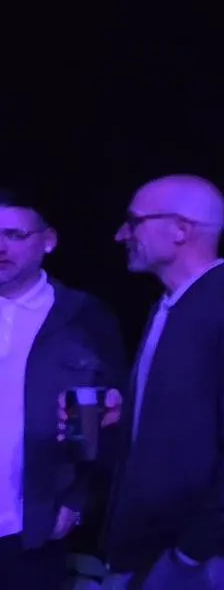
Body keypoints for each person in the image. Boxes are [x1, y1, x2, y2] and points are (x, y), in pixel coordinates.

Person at [99, 175, 224, 590]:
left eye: (134, 222)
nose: (121, 235)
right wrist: (128, 416)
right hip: (151, 552)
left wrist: (187, 554)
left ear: (180, 230)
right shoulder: (169, 307)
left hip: (202, 560)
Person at [0, 187, 125, 589]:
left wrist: (77, 500)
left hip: (32, 525)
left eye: (14, 235)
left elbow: (109, 421)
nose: (0, 247)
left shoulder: (83, 317)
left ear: (48, 240)